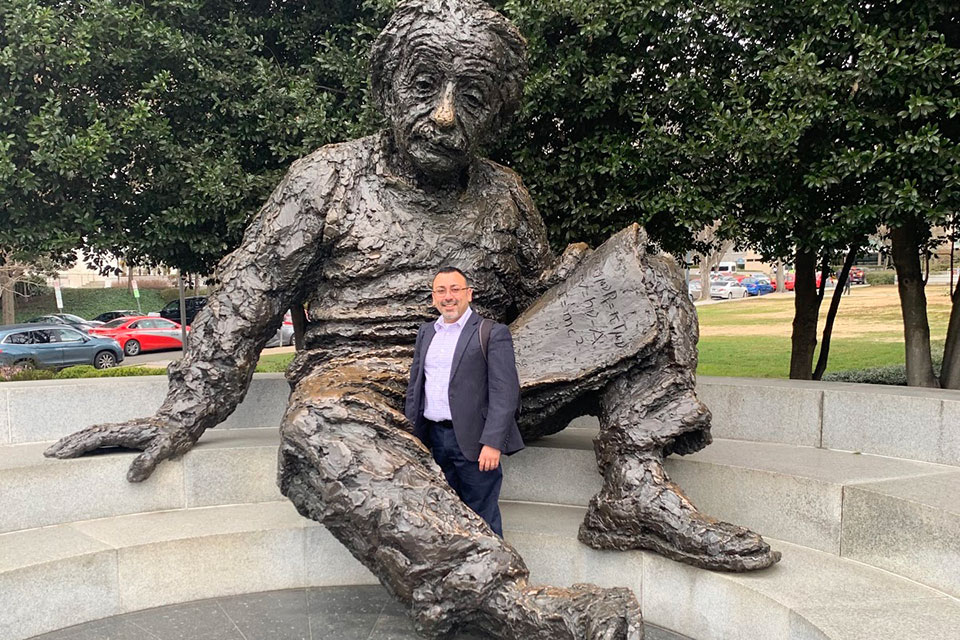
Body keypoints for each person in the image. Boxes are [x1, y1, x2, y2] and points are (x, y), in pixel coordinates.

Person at [46, 1, 777, 637]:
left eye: (474, 96)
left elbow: (539, 298)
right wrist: (183, 409)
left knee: (643, 271)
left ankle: (634, 492)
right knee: (317, 429)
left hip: (490, 372)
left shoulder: (506, 194)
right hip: (362, 383)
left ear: (499, 111)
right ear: (386, 87)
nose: (446, 114)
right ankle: (504, 600)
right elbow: (247, 299)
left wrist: (595, 275)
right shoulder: (326, 178)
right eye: (426, 85)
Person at [406, 267, 523, 536]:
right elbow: (416, 386)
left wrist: (493, 443)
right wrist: (413, 436)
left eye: (455, 289)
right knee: (446, 516)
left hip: (474, 444)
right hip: (434, 440)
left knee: (482, 518)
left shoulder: (492, 333)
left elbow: (505, 393)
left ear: (469, 294)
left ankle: (495, 574)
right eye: (441, 291)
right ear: (433, 298)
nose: (448, 296)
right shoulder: (426, 332)